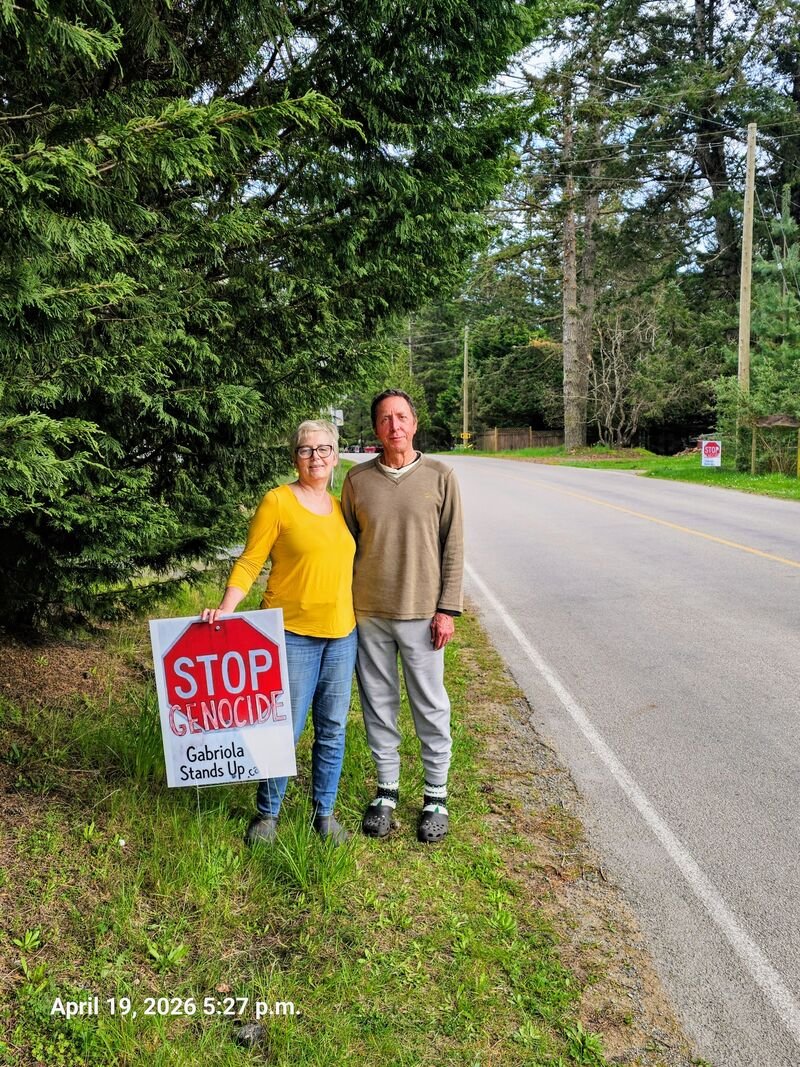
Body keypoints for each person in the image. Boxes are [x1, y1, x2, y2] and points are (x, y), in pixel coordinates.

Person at [202, 420, 356, 845]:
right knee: (282, 729)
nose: (316, 457)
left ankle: (324, 813)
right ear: (295, 457)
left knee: (333, 727)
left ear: (336, 456)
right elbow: (251, 561)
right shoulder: (277, 502)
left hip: (343, 635)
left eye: (324, 449)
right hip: (290, 634)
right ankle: (267, 813)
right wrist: (227, 610)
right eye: (307, 450)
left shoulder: (344, 507)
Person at [340, 389, 463, 843]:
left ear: (414, 423)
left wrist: (447, 608)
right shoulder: (356, 481)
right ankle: (386, 791)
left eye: (402, 417)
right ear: (375, 429)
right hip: (369, 611)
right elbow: (344, 545)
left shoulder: (440, 476)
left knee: (430, 705)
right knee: (378, 703)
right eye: (385, 419)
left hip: (422, 612)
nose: (394, 426)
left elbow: (454, 546)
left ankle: (436, 795)